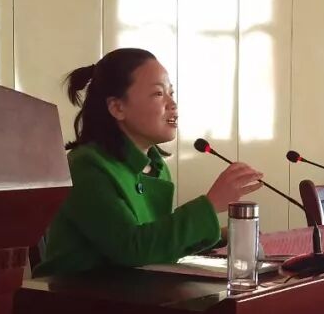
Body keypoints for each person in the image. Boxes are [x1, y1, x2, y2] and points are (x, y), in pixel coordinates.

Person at [35, 47, 262, 275]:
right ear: (117, 107)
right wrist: (210, 205)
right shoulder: (85, 165)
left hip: (137, 290)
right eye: (158, 94)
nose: (172, 104)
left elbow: (158, 246)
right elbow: (131, 249)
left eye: (171, 93)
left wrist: (221, 234)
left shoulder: (155, 166)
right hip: (77, 293)